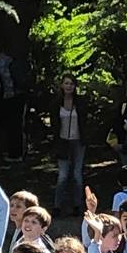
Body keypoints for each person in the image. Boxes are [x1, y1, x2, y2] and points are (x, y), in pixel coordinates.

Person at [49, 75, 89, 216]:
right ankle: (57, 206)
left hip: (78, 141)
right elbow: (53, 124)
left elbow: (85, 121)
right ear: (62, 85)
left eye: (71, 84)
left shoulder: (80, 102)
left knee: (77, 174)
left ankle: (78, 206)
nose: (69, 86)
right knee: (63, 175)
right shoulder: (56, 103)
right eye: (66, 83)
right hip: (62, 142)